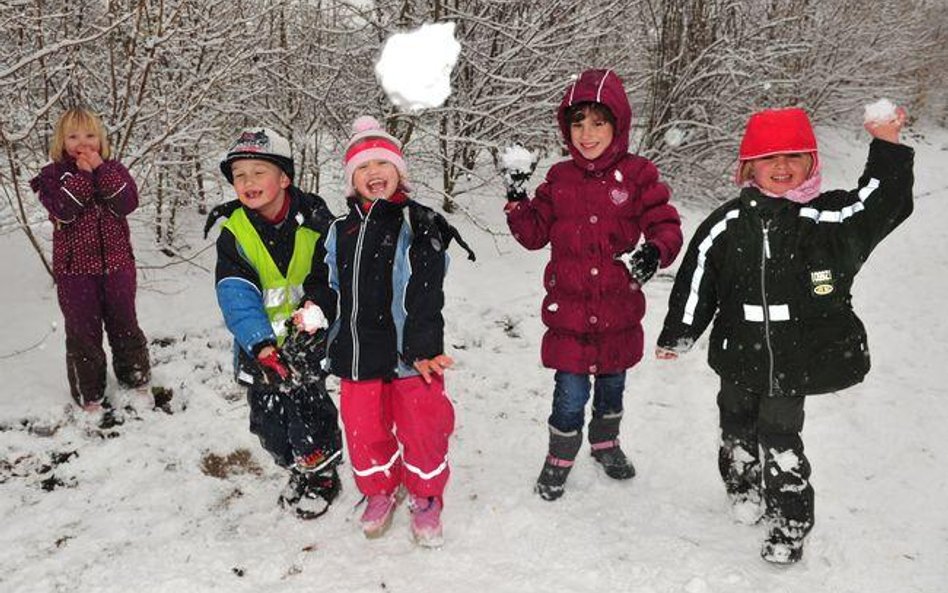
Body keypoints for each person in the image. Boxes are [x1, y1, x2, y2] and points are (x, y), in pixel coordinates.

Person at [656, 105, 913, 564]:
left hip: (793, 360)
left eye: (795, 155)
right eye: (769, 156)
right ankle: (742, 488)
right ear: (748, 166)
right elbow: (698, 277)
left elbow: (882, 203)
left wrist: (887, 144)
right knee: (734, 424)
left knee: (780, 439)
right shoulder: (727, 224)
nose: (782, 167)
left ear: (812, 162)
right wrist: (680, 331)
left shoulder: (828, 219)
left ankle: (788, 524)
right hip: (738, 351)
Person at [502, 69, 683, 501]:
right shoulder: (559, 180)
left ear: (617, 125)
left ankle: (605, 443)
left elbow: (666, 224)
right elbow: (533, 235)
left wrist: (655, 251)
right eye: (577, 123)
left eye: (598, 123)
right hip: (569, 316)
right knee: (569, 393)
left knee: (612, 387)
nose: (586, 134)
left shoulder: (638, 175)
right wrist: (517, 200)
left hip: (619, 312)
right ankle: (559, 458)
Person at [311, 115, 466, 547]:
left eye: (382, 164)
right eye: (362, 167)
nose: (373, 173)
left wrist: (422, 346)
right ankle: (380, 490)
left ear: (399, 172)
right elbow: (326, 283)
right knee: (363, 428)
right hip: (358, 354)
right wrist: (314, 311)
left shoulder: (418, 222)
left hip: (411, 355)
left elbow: (426, 287)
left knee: (423, 426)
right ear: (350, 181)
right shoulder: (339, 231)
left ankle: (426, 494)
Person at [207, 127, 342, 520]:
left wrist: (315, 314)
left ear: (284, 178)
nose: (248, 183)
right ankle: (294, 463)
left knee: (309, 413)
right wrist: (260, 342)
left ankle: (320, 471)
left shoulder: (316, 222)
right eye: (239, 175)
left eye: (258, 172)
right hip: (260, 349)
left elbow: (330, 275)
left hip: (307, 341)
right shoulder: (236, 232)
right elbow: (236, 292)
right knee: (269, 425)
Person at [30, 107, 151, 414]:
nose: (82, 142)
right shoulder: (51, 176)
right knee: (83, 330)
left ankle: (135, 378)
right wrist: (84, 176)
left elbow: (127, 203)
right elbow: (62, 211)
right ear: (61, 141)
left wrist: (101, 171)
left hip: (118, 266)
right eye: (73, 136)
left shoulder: (113, 170)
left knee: (124, 322)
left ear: (101, 138)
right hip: (75, 272)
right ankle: (90, 393)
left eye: (89, 135)